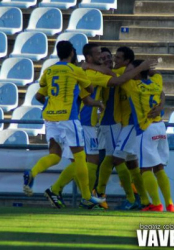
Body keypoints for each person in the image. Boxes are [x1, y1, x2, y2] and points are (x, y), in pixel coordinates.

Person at [23, 41, 106, 209]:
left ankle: (32, 173)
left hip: (50, 118)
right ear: (72, 53)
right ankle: (86, 197)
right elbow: (89, 89)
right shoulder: (75, 71)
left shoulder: (49, 70)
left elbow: (39, 96)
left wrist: (52, 103)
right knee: (80, 157)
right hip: (68, 117)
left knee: (54, 155)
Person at [81, 44, 155, 209]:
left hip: (123, 124)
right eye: (105, 57)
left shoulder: (122, 72)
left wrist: (145, 69)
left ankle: (140, 200)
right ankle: (118, 197)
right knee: (117, 160)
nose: (109, 60)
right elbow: (118, 79)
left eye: (111, 57)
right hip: (110, 122)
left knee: (126, 162)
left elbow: (147, 76)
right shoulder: (103, 74)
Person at [122, 60, 174, 212]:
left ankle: (157, 204)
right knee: (159, 168)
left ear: (138, 72)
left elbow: (122, 78)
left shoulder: (132, 86)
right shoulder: (157, 82)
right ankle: (170, 204)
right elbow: (156, 73)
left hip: (145, 129)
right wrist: (144, 69)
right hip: (160, 127)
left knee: (145, 169)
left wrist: (138, 68)